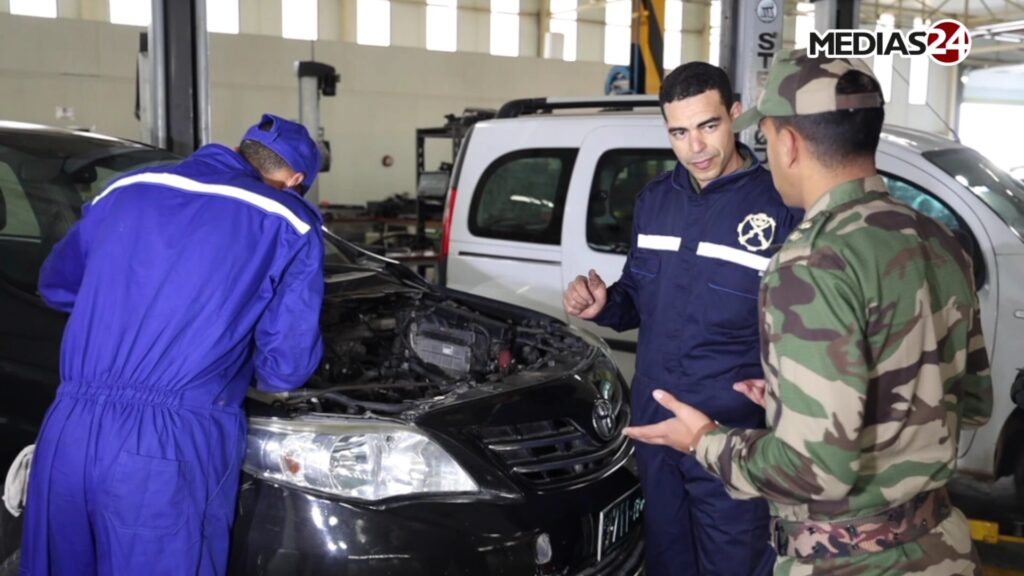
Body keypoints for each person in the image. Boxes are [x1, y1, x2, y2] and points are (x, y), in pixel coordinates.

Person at [623, 50, 993, 575]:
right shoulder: (940, 240)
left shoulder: (810, 261)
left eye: (768, 136)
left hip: (847, 555)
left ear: (789, 143)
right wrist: (806, 398)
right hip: (941, 547)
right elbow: (972, 402)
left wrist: (705, 442)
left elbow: (812, 468)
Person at [21, 114, 326, 576]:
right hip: (168, 448)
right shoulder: (289, 219)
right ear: (295, 180)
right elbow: (284, 367)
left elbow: (58, 287)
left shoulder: (125, 188)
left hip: (67, 432)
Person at [563, 62, 801, 575]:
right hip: (655, 424)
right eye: (679, 131)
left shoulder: (781, 205)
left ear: (735, 116)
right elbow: (637, 296)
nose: (696, 146)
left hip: (731, 431)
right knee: (667, 560)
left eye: (709, 126)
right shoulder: (654, 201)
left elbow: (804, 323)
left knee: (734, 564)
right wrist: (605, 303)